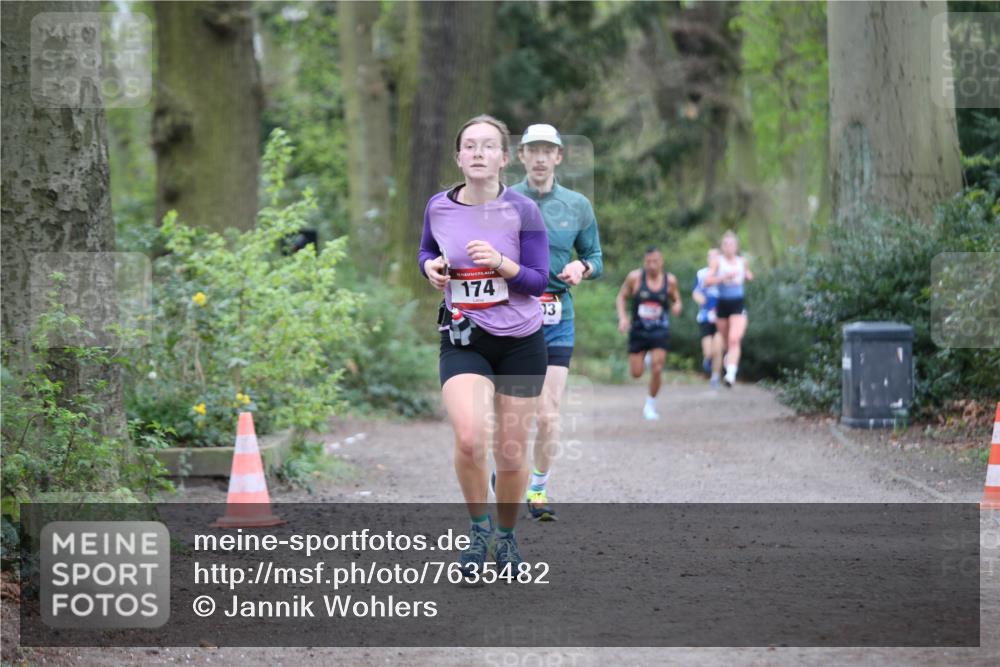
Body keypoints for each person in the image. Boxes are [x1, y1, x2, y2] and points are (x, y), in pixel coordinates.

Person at [418, 114, 550, 580]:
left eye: (488, 146)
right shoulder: (438, 206)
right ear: (458, 157)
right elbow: (426, 252)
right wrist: (430, 268)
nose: (478, 152)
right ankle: (478, 530)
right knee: (471, 437)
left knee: (511, 454)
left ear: (504, 158)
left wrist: (501, 264)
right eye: (469, 145)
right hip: (464, 336)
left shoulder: (523, 211)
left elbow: (538, 281)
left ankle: (507, 537)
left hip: (520, 343)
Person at [507, 123, 603, 522]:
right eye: (534, 150)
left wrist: (582, 266)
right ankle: (506, 473)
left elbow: (596, 257)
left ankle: (538, 488)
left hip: (557, 315)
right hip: (512, 314)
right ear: (522, 156)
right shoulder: (505, 201)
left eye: (549, 150)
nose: (542, 157)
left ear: (560, 157)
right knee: (514, 410)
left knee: (548, 413)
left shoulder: (578, 204)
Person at [616, 247, 681, 420]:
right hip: (638, 330)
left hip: (660, 330)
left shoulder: (670, 281)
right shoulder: (635, 278)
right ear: (644, 262)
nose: (651, 265)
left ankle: (650, 404)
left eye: (655, 261)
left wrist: (677, 306)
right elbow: (621, 297)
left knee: (658, 368)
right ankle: (646, 358)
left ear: (662, 262)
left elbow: (676, 299)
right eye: (648, 262)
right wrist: (623, 318)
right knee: (636, 373)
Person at [703, 231, 754, 387]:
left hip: (737, 303)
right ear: (722, 247)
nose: (728, 247)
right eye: (725, 244)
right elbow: (707, 281)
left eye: (731, 244)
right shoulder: (717, 262)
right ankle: (729, 360)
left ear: (736, 246)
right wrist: (723, 278)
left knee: (734, 339)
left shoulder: (741, 261)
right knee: (726, 341)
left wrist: (747, 275)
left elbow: (748, 274)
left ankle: (730, 374)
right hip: (722, 304)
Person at [693, 248, 723, 388]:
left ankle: (715, 378)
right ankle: (708, 359)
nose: (713, 259)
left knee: (718, 349)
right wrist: (702, 301)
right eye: (711, 257)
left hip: (722, 317)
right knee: (709, 351)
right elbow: (696, 293)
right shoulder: (701, 274)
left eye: (716, 257)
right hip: (705, 317)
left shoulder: (725, 274)